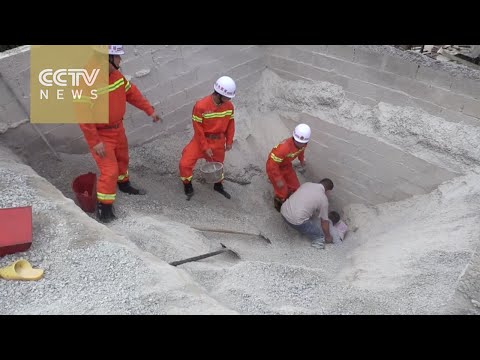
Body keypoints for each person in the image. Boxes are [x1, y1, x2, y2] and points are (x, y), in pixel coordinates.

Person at [76, 45, 162, 223]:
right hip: (101, 135)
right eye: (118, 57)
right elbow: (83, 116)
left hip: (118, 129)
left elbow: (132, 94)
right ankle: (104, 207)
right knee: (110, 170)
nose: (120, 61)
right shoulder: (86, 81)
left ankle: (124, 184)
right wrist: (95, 141)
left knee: (122, 159)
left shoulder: (115, 75)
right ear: (106, 58)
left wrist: (149, 110)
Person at [179, 76, 236, 200]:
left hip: (219, 142)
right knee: (185, 163)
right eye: (227, 97)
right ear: (219, 94)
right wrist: (205, 147)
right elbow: (198, 129)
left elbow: (231, 124)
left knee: (219, 165)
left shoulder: (229, 106)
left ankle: (218, 185)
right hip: (201, 140)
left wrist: (229, 141)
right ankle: (187, 185)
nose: (229, 99)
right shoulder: (200, 106)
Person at [266, 123, 311, 211]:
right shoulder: (283, 148)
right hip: (274, 168)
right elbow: (272, 165)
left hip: (286, 166)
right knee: (282, 191)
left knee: (296, 187)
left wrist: (302, 160)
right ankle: (278, 206)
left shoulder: (303, 144)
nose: (300, 144)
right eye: (298, 142)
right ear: (294, 137)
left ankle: (290, 199)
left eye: (303, 143)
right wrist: (278, 179)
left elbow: (301, 151)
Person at [280, 178, 334, 249]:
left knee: (306, 216)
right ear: (327, 191)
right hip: (295, 221)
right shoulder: (323, 199)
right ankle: (317, 245)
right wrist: (328, 237)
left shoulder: (307, 184)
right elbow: (324, 223)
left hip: (283, 211)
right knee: (320, 236)